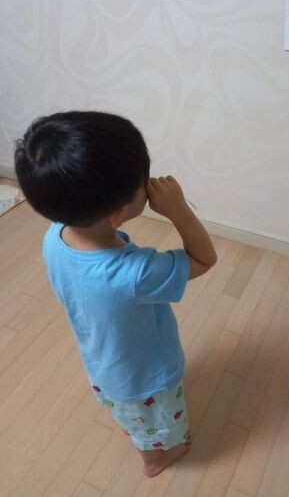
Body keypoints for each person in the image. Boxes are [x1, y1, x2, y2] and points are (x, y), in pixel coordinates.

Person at [14, 110, 217, 477]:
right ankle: (156, 460)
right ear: (116, 215)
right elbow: (204, 259)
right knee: (155, 427)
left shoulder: (57, 234)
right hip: (147, 377)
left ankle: (149, 441)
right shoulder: (134, 273)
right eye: (142, 180)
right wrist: (179, 211)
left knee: (134, 417)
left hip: (104, 364)